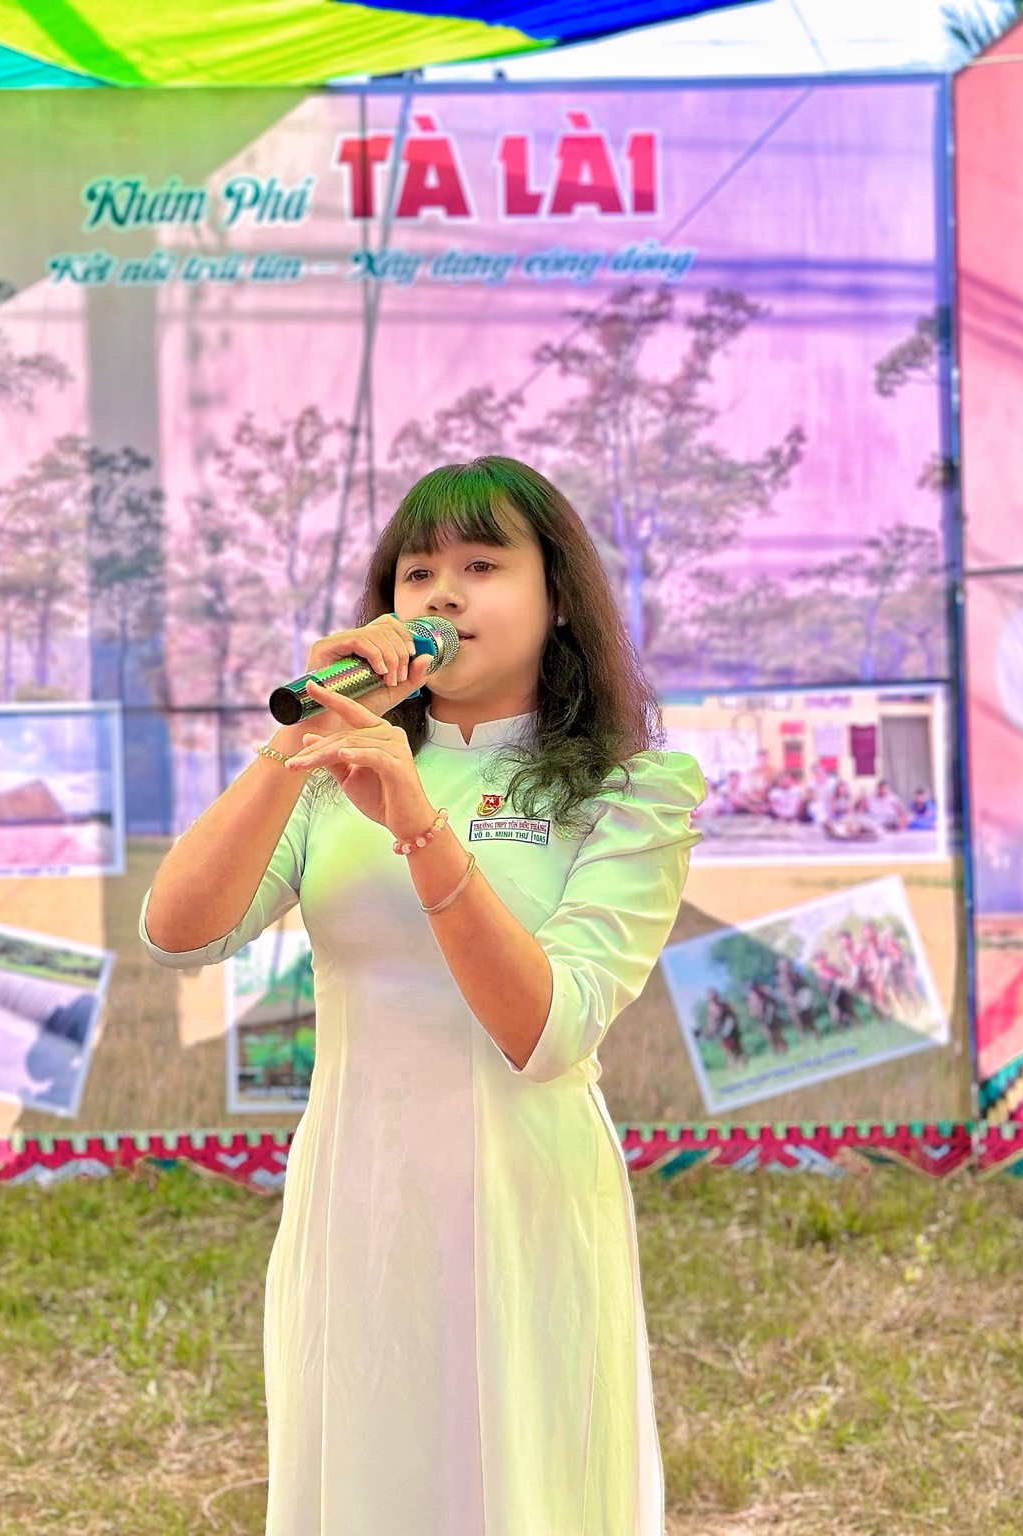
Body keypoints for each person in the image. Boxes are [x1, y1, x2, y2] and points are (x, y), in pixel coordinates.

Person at [141, 456, 702, 1536]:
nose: (442, 596)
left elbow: (548, 1031)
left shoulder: (632, 789)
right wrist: (301, 740)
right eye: (417, 573)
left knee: (522, 1487)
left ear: (557, 596)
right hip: (358, 1187)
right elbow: (178, 933)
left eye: (482, 566)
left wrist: (417, 825)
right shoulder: (336, 769)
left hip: (524, 1199)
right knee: (365, 1477)